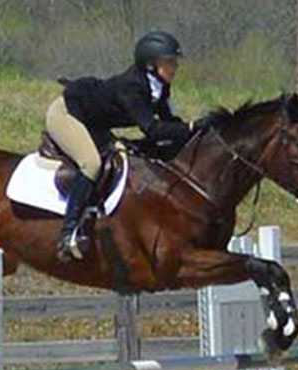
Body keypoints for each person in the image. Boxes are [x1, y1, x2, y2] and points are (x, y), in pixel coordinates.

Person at [46, 30, 193, 262]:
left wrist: (195, 132)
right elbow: (153, 130)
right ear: (151, 64)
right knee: (91, 163)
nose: (175, 67)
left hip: (94, 121)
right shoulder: (131, 87)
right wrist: (192, 127)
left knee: (122, 156)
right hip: (67, 113)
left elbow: (168, 123)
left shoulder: (160, 87)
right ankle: (68, 232)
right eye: (170, 62)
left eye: (175, 62)